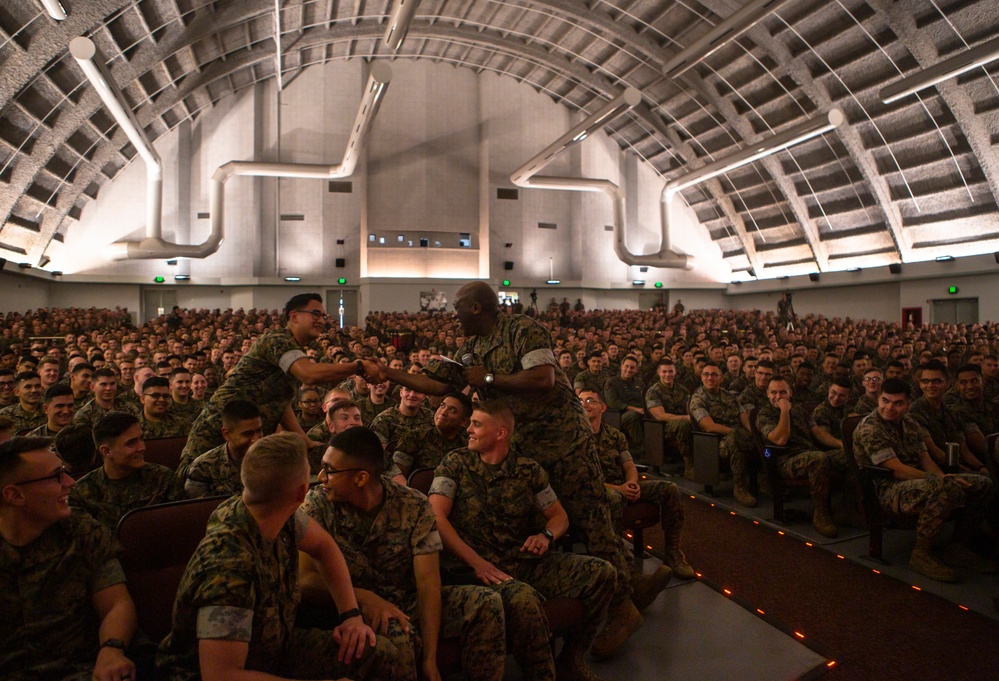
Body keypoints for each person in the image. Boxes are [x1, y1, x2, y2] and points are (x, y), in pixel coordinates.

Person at [381, 281, 640, 659]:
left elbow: (543, 378)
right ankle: (575, 597)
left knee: (592, 521)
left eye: (457, 307)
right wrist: (388, 374)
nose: (452, 314)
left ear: (475, 308)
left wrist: (488, 379)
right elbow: (434, 383)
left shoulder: (522, 330)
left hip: (564, 442)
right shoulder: (469, 349)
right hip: (521, 446)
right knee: (539, 523)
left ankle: (623, 608)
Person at [157, 432, 405, 681]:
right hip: (210, 672)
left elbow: (324, 547)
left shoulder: (273, 510)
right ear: (301, 493)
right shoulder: (229, 568)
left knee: (378, 654)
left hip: (274, 648)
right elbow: (221, 675)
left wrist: (350, 615)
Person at [429, 401, 616, 681]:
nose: (468, 429)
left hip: (522, 560)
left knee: (602, 573)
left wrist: (546, 535)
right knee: (524, 599)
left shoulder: (528, 470)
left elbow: (559, 516)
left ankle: (571, 657)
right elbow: (436, 518)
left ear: (501, 433)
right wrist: (476, 563)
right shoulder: (455, 463)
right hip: (475, 572)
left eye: (477, 425)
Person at [302, 427, 507, 681]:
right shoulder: (317, 505)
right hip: (349, 607)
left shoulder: (413, 504)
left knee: (486, 603)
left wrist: (431, 660)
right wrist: (364, 598)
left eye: (330, 470)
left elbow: (428, 582)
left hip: (405, 598)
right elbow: (305, 579)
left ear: (361, 478)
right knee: (398, 632)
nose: (321, 477)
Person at [177, 294, 383, 474]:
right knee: (194, 492)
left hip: (248, 440)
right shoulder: (277, 339)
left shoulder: (294, 348)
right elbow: (308, 374)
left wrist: (304, 439)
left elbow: (281, 402)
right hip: (219, 430)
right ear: (294, 316)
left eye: (322, 316)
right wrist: (358, 366)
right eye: (315, 314)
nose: (321, 320)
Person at [0, 436, 139, 681]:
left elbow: (116, 603)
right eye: (56, 476)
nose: (70, 483)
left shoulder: (80, 529)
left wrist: (112, 650)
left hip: (81, 670)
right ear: (14, 495)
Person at [852, 378, 995, 582]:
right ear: (878, 400)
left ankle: (957, 545)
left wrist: (944, 477)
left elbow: (925, 459)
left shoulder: (910, 423)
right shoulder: (870, 428)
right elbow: (896, 469)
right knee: (946, 488)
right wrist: (941, 481)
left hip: (915, 481)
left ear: (908, 404)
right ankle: (921, 554)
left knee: (983, 484)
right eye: (885, 401)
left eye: (897, 403)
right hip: (887, 488)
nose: (889, 407)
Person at [581, 389, 692, 589]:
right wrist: (619, 488)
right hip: (597, 491)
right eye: (580, 401)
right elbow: (583, 480)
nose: (585, 404)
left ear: (603, 407)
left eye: (590, 400)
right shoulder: (576, 438)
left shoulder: (614, 435)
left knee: (670, 489)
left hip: (622, 485)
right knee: (614, 496)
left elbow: (629, 466)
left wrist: (631, 483)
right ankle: (627, 570)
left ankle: (673, 553)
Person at [755, 377, 851, 538]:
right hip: (785, 460)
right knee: (819, 459)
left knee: (851, 456)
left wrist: (842, 445)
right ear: (767, 394)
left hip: (809, 453)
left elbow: (818, 433)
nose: (778, 396)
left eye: (783, 392)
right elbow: (780, 439)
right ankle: (821, 514)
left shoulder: (799, 410)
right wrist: (784, 411)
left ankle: (847, 507)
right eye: (774, 392)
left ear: (790, 393)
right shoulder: (765, 414)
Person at [70, 412, 177, 530]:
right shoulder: (82, 493)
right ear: (106, 451)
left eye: (141, 439)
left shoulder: (163, 478)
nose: (142, 447)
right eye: (131, 443)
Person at [689, 361, 757, 507]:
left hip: (737, 434)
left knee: (760, 436)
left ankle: (765, 481)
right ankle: (739, 487)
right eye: (706, 374)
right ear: (701, 377)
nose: (710, 378)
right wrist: (737, 433)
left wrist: (752, 432)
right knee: (735, 440)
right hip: (715, 442)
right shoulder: (698, 398)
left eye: (714, 375)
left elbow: (742, 414)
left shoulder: (728, 395)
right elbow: (709, 426)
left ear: (721, 378)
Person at [909, 360, 990, 476]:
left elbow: (962, 448)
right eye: (925, 381)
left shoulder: (950, 411)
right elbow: (935, 452)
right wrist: (968, 472)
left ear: (948, 383)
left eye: (936, 381)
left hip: (955, 465)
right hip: (936, 470)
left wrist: (981, 467)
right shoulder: (915, 412)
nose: (930, 386)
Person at [184, 400, 264, 499]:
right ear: (226, 434)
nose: (256, 439)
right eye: (247, 434)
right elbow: (201, 510)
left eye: (259, 431)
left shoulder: (272, 460)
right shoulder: (203, 468)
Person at [391, 392, 471, 482]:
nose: (443, 412)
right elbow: (396, 475)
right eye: (442, 406)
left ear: (464, 422)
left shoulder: (466, 449)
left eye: (452, 410)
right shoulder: (415, 437)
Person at [644, 358, 692, 477]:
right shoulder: (653, 391)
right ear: (659, 372)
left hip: (683, 421)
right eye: (664, 371)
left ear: (675, 372)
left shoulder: (682, 389)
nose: (668, 375)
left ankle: (707, 464)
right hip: (662, 428)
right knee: (684, 425)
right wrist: (685, 418)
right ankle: (690, 466)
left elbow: (689, 409)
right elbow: (660, 416)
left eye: (670, 371)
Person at [603, 356, 646, 447]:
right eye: (626, 366)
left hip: (640, 411)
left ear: (636, 370)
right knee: (633, 415)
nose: (629, 369)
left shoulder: (639, 383)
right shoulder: (612, 382)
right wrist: (635, 409)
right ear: (621, 366)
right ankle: (644, 448)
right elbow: (613, 403)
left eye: (632, 367)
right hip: (618, 416)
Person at [369, 386, 433, 447]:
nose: (412, 395)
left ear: (424, 396)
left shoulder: (429, 417)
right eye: (407, 390)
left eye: (417, 391)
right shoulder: (384, 420)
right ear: (401, 392)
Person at [810, 379, 852, 445]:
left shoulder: (849, 409)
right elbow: (825, 439)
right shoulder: (821, 411)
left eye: (842, 396)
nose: (836, 398)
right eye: (834, 392)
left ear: (848, 397)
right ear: (829, 390)